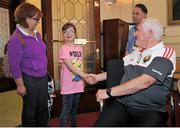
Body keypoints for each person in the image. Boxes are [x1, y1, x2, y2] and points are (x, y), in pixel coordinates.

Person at [88, 18, 176, 126]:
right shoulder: (136, 51)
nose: (134, 33)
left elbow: (145, 82)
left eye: (138, 30)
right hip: (122, 104)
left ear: (149, 34)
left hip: (150, 109)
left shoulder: (164, 53)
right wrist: (97, 77)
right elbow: (118, 71)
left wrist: (108, 92)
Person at [7, 2, 48, 126]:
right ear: (26, 18)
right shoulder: (16, 39)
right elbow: (14, 66)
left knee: (43, 107)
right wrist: (20, 86)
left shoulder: (36, 34)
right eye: (36, 19)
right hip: (29, 78)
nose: (38, 22)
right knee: (30, 110)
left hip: (42, 76)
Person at [58, 23, 91, 127]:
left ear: (75, 34)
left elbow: (80, 65)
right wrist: (84, 75)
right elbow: (69, 66)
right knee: (66, 109)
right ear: (62, 35)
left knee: (75, 108)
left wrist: (83, 80)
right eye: (65, 32)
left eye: (71, 31)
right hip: (68, 85)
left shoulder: (79, 48)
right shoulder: (63, 48)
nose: (68, 34)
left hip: (78, 82)